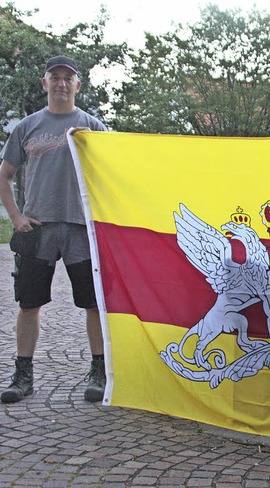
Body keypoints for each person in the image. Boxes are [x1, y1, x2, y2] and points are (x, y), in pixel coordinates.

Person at [0, 55, 108, 404]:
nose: (61, 83)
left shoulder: (93, 125)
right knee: (29, 304)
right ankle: (23, 374)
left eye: (68, 78)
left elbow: (113, 175)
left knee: (94, 304)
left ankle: (99, 370)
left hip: (81, 229)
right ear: (44, 84)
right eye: (55, 77)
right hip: (38, 229)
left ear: (78, 85)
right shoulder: (27, 127)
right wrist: (16, 217)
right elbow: (5, 174)